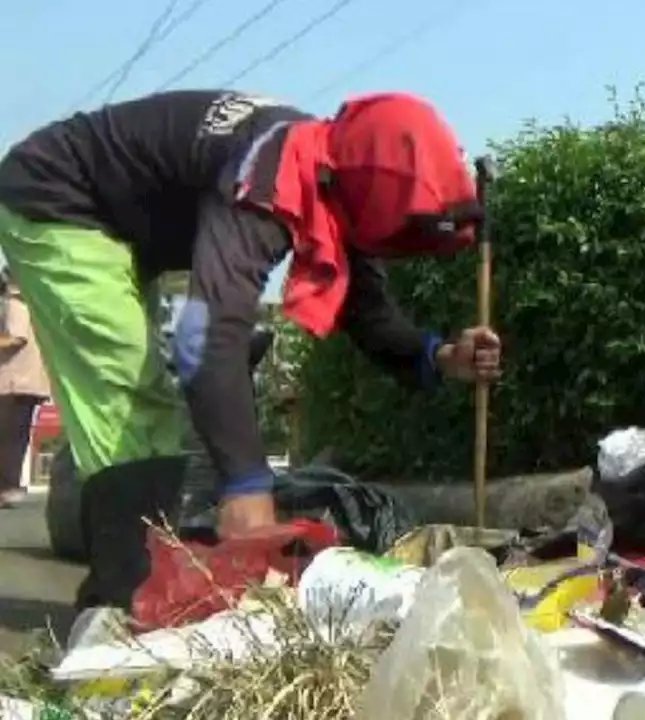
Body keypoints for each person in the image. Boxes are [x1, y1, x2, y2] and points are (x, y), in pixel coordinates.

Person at [0, 90, 501, 612]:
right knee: (129, 396)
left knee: (144, 402)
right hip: (58, 199)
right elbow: (204, 338)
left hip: (123, 224)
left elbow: (367, 309)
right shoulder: (266, 177)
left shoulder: (336, 170)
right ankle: (127, 603)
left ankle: (139, 587)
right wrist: (246, 486)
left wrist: (441, 356)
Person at [0, 271, 51, 507]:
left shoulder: (15, 303)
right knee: (16, 436)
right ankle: (10, 486)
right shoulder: (35, 303)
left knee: (8, 436)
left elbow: (16, 338)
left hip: (14, 381)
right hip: (29, 380)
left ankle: (7, 487)